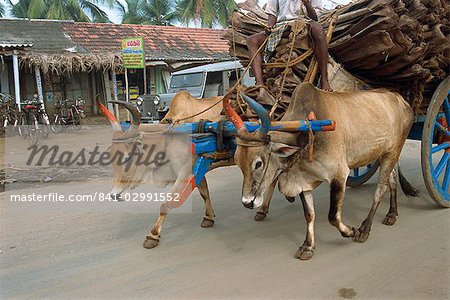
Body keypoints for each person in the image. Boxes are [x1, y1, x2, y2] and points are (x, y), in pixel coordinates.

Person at [246, 0, 333, 96]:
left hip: (304, 23)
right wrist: (270, 26)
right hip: (281, 26)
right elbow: (272, 14)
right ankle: (259, 84)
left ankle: (324, 80)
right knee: (252, 40)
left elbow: (315, 18)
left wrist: (306, 4)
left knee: (319, 30)